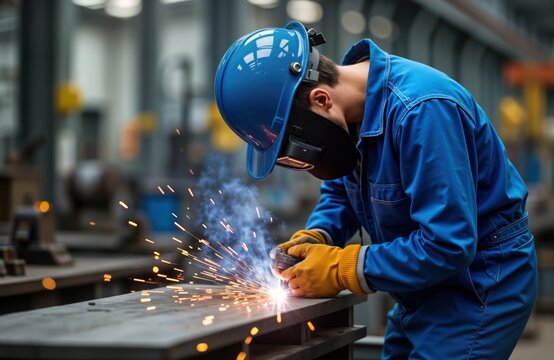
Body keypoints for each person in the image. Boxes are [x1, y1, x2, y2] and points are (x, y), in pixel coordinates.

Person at [214, 21, 537, 359]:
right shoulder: (350, 117)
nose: (304, 161)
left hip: (477, 284)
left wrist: (342, 268)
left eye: (297, 149)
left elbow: (449, 242)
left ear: (321, 99)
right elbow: (341, 191)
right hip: (418, 285)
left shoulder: (423, 111)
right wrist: (320, 235)